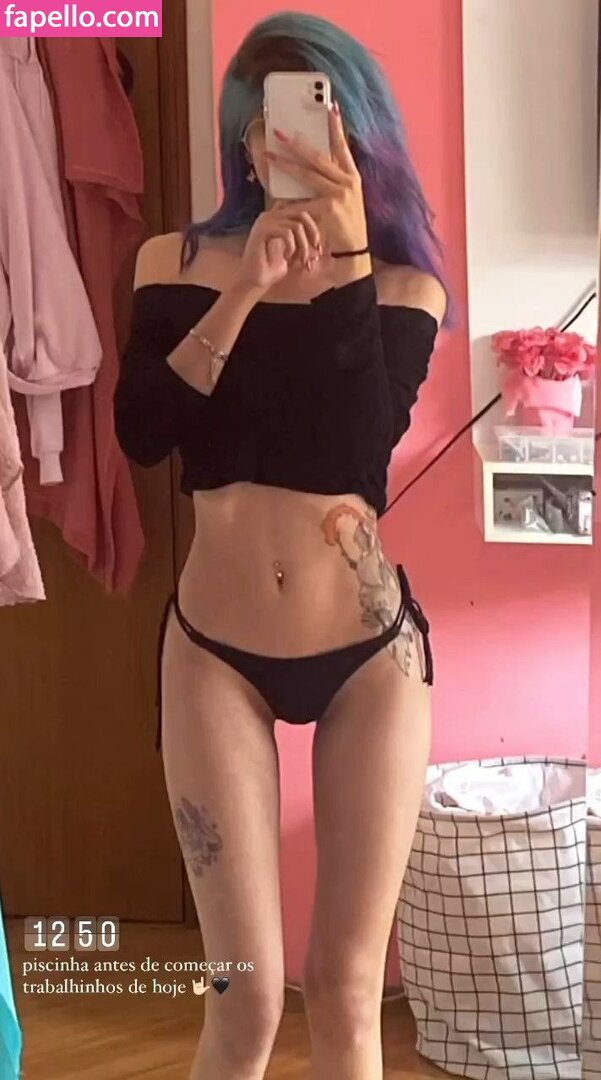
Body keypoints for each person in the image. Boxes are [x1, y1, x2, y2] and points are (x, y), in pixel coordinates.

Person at [114, 11, 449, 1080]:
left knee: (346, 996)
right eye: (269, 122)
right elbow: (143, 431)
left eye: (319, 119)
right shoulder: (173, 263)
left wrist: (343, 259)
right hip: (212, 651)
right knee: (245, 997)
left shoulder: (402, 288)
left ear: (358, 134)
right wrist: (246, 287)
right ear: (244, 139)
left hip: (368, 658)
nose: (290, 142)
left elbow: (360, 454)